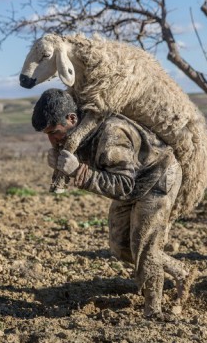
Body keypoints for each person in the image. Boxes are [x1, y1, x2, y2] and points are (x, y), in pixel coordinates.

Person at [32, 88, 193, 319]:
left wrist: (78, 172)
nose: (52, 140)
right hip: (132, 180)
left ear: (72, 119)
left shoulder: (111, 134)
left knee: (144, 245)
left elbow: (123, 186)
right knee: (120, 245)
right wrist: (63, 164)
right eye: (47, 134)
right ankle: (181, 273)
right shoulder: (76, 134)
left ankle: (153, 310)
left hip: (158, 176)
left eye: (54, 132)